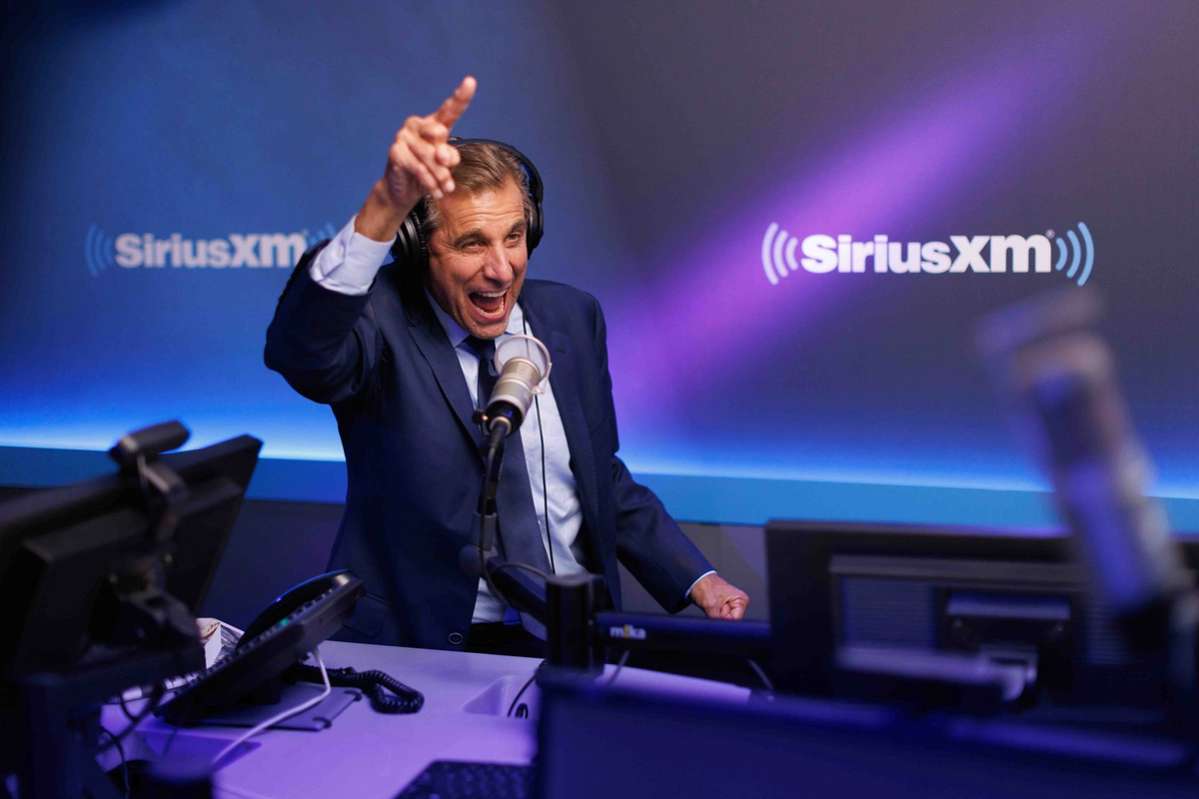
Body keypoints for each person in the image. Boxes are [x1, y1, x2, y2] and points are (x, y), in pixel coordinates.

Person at [265, 76, 748, 655]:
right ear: (420, 247)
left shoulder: (572, 317)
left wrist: (698, 579)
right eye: (473, 243)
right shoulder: (378, 320)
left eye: (514, 236)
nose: (501, 268)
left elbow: (598, 477)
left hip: (571, 635)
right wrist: (385, 209)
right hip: (427, 648)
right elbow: (302, 352)